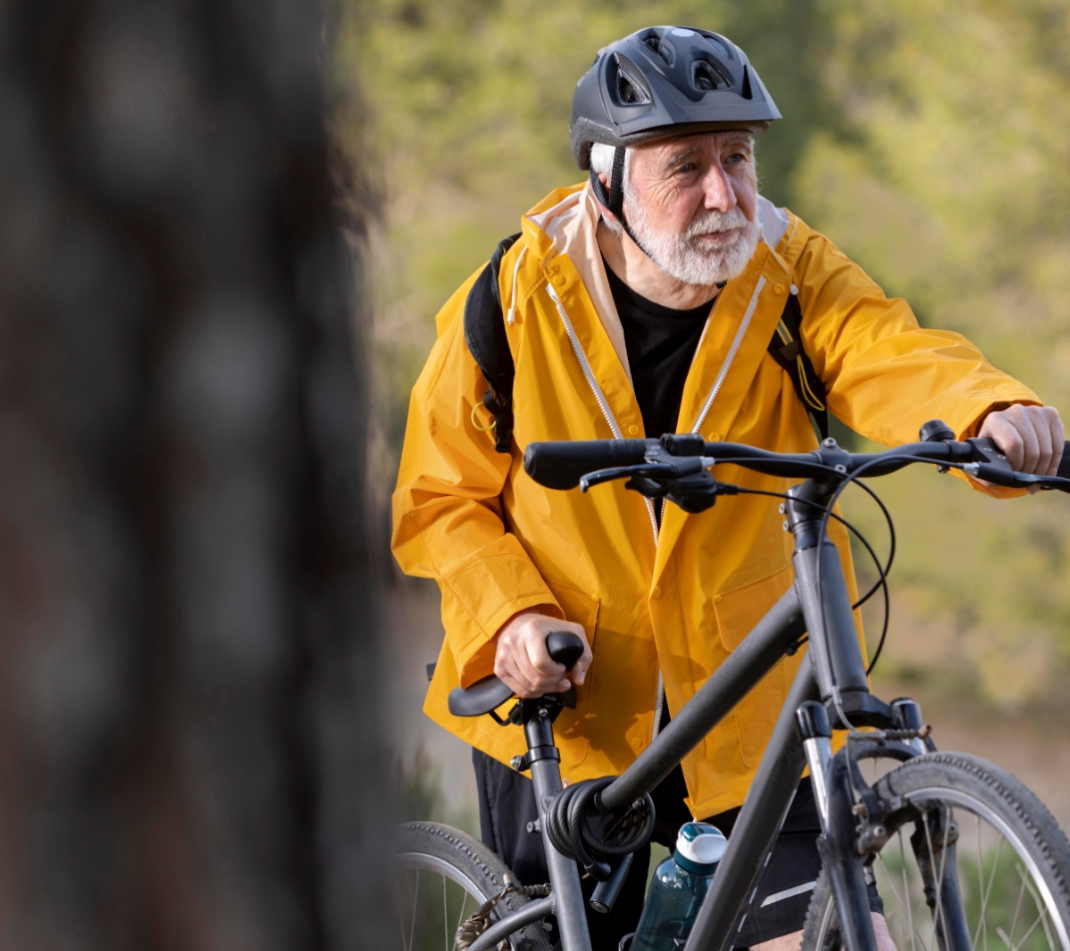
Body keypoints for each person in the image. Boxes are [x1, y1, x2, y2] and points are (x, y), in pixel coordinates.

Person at [390, 25, 1064, 951]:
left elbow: (885, 349)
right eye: (686, 166)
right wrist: (511, 616)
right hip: (577, 695)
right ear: (607, 178)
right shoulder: (510, 299)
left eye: (738, 158)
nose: (725, 193)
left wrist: (990, 406)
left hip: (748, 704)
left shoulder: (789, 274)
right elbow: (437, 498)